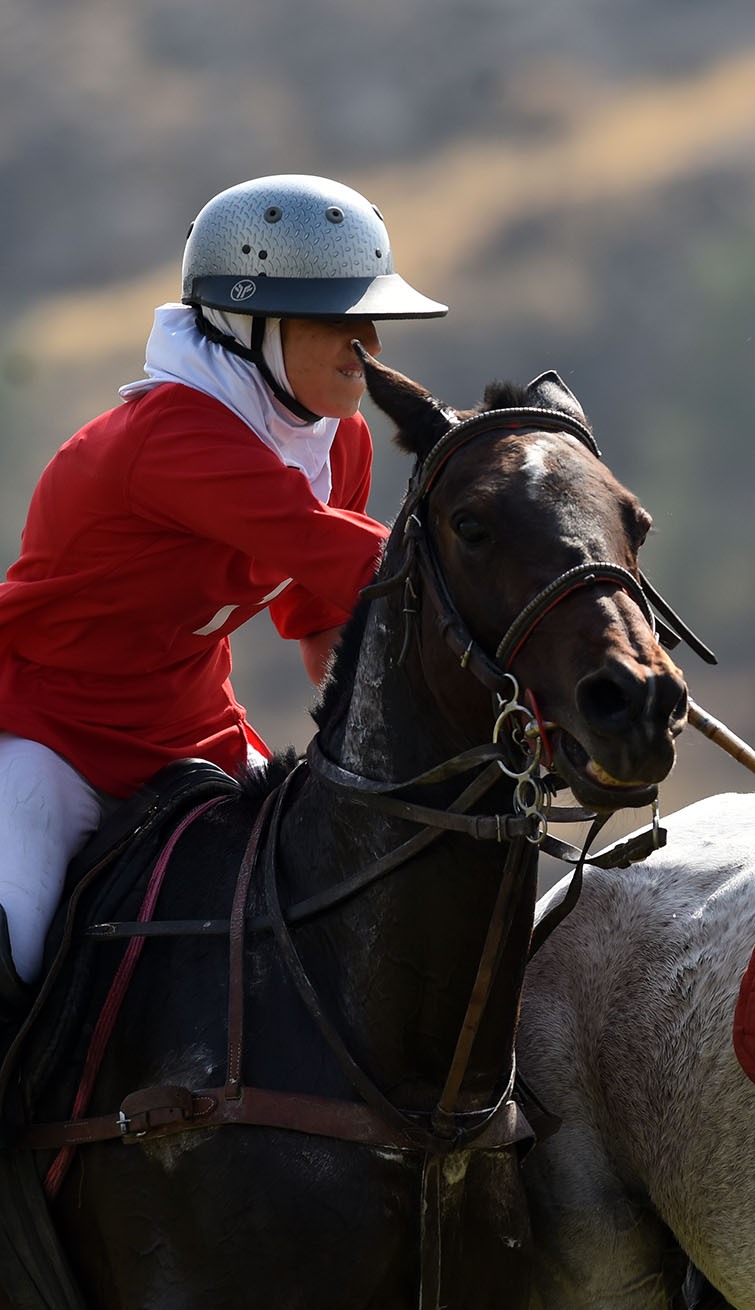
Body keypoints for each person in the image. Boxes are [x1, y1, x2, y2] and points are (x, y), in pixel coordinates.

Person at [0, 173, 447, 1025]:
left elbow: (326, 619)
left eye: (371, 319)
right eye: (337, 320)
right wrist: (522, 585)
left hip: (192, 736)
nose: (368, 346)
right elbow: (350, 558)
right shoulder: (171, 437)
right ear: (249, 326)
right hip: (49, 734)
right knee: (12, 943)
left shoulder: (337, 440)